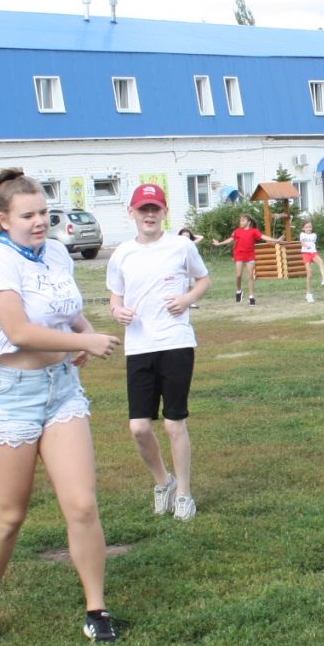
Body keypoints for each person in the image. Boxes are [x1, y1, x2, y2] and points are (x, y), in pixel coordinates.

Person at [0, 169, 122, 645]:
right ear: (1, 218)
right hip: (10, 391)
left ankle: (96, 609)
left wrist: (83, 331)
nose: (40, 222)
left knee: (82, 504)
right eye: (28, 215)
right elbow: (19, 332)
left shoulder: (55, 252)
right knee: (10, 514)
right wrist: (87, 341)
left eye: (44, 213)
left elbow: (66, 306)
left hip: (61, 389)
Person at [107, 183, 211, 522]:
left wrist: (186, 299)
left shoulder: (180, 246)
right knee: (139, 427)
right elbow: (115, 297)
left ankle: (184, 493)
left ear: (164, 212)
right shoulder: (122, 253)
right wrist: (116, 311)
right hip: (139, 346)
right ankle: (162, 481)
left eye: (155, 208)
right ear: (132, 213)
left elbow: (203, 280)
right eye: (143, 209)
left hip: (176, 343)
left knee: (173, 423)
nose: (149, 214)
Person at [213, 214, 269, 305]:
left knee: (250, 276)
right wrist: (219, 244)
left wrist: (275, 240)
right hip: (239, 256)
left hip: (250, 256)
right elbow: (230, 240)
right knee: (238, 275)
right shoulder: (237, 231)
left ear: (249, 222)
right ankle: (239, 291)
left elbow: (264, 237)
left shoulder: (254, 231)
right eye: (240, 220)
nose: (241, 222)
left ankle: (251, 297)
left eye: (243, 220)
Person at [298, 218, 324, 302]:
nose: (309, 229)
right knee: (309, 274)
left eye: (310, 227)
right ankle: (308, 294)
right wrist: (306, 245)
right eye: (306, 227)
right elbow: (302, 243)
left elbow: (313, 243)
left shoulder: (314, 235)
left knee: (321, 262)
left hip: (313, 253)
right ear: (303, 228)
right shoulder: (302, 234)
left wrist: (310, 247)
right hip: (306, 254)